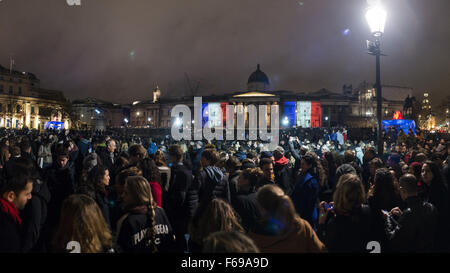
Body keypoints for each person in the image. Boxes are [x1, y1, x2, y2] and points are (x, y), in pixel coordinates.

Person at [247, 184, 326, 253]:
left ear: (262, 208)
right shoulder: (302, 227)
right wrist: (321, 223)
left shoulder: (253, 237)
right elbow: (320, 250)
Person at [116, 176, 175, 253]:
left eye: (126, 193)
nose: (122, 196)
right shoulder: (160, 211)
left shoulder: (128, 221)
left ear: (137, 196)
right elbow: (171, 242)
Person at [318, 174, 372, 253]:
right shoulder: (368, 212)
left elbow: (322, 248)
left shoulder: (334, 224)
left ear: (339, 193)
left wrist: (321, 222)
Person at [384, 174, 438, 252]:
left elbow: (392, 238)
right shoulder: (431, 207)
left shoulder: (408, 214)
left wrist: (388, 218)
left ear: (402, 190)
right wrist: (402, 215)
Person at [165, 144, 197, 253]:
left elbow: (180, 196)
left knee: (180, 241)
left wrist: (171, 208)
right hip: (184, 212)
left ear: (173, 156)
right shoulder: (186, 170)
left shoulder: (179, 172)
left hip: (179, 213)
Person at [367, 168, 402, 248]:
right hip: (393, 233)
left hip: (376, 234)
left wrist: (368, 196)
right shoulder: (397, 195)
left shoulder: (373, 198)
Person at [421, 160, 450, 252]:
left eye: (428, 171)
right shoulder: (425, 189)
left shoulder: (440, 191)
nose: (424, 174)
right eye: (422, 171)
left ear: (434, 173)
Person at [0, 174, 33, 252]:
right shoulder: (5, 227)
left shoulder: (12, 217)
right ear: (11, 196)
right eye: (27, 194)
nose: (30, 197)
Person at [77, 165, 112, 229]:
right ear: (100, 177)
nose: (109, 178)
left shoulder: (105, 191)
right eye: (107, 175)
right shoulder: (89, 193)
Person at [291, 154, 320, 230]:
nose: (301, 166)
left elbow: (309, 202)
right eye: (301, 164)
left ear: (309, 165)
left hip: (307, 215)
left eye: (303, 164)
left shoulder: (312, 181)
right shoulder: (303, 176)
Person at [231, 168, 263, 232]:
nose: (237, 179)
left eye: (240, 178)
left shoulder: (239, 199)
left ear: (246, 181)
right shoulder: (259, 196)